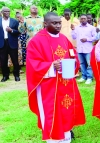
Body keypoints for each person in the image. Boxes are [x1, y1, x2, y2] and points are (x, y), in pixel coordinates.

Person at [26, 12, 85, 142]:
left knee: (66, 109)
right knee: (51, 112)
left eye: (59, 23)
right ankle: (53, 138)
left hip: (66, 82)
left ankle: (66, 134)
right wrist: (52, 65)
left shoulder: (63, 38)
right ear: (45, 24)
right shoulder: (36, 41)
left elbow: (72, 54)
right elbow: (32, 64)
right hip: (49, 85)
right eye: (54, 23)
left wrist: (74, 62)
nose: (58, 25)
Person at [71, 14, 97, 84]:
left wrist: (87, 39)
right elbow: (74, 37)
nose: (83, 20)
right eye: (81, 19)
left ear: (87, 19)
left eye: (84, 18)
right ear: (80, 20)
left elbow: (95, 37)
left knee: (89, 64)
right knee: (82, 63)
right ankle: (83, 76)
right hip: (80, 49)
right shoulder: (77, 28)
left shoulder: (91, 28)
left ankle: (89, 77)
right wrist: (73, 30)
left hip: (88, 49)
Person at [0, 7, 20, 82]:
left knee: (15, 60)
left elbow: (18, 31)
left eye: (9, 11)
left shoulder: (14, 21)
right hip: (2, 43)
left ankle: (16, 75)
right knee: (3, 61)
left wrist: (11, 30)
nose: (8, 12)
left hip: (12, 43)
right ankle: (5, 76)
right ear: (2, 12)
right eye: (6, 11)